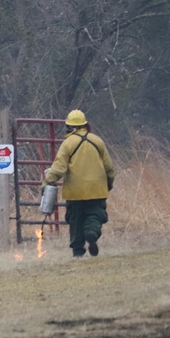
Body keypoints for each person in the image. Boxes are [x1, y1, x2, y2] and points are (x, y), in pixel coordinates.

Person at [41, 109, 116, 257]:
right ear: (85, 125)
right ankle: (91, 233)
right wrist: (109, 183)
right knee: (95, 215)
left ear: (69, 127)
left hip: (75, 192)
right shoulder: (97, 141)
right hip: (97, 190)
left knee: (76, 220)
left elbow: (58, 168)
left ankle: (78, 251)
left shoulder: (68, 143)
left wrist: (47, 182)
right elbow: (109, 168)